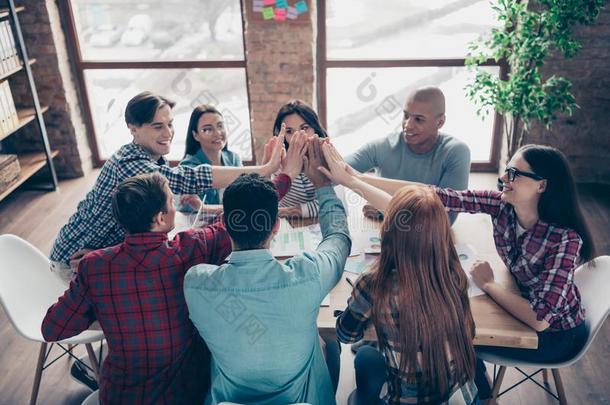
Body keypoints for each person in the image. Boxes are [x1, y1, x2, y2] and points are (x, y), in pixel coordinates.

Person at [41, 131, 301, 404]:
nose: (176, 206)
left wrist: (112, 313)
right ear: (161, 217)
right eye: (171, 201)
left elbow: (52, 330)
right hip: (186, 394)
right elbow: (241, 218)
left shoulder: (95, 266)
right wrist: (285, 177)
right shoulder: (189, 250)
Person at [323, 143, 595, 401]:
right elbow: (428, 196)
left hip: (554, 337)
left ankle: (483, 394)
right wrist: (356, 178)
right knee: (451, 330)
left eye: (513, 173)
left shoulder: (565, 239)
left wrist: (489, 285)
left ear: (542, 185)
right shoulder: (503, 206)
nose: (503, 178)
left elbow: (540, 320)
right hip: (520, 301)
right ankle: (476, 395)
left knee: (458, 337)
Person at [50, 92, 283, 284]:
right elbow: (187, 179)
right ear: (133, 128)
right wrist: (264, 169)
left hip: (100, 252)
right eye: (157, 126)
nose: (168, 133)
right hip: (74, 260)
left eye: (170, 124)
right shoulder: (131, 165)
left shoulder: (147, 156)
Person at [184, 139, 350, 405]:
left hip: (227, 400)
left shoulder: (196, 284)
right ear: (276, 226)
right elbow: (339, 239)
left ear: (226, 223)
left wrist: (280, 176)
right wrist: (323, 186)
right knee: (328, 343)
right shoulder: (307, 275)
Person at [319, 144, 478, 404]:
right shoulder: (453, 272)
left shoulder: (373, 283)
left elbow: (346, 335)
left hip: (406, 399)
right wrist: (349, 178)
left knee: (365, 357)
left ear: (389, 231)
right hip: (460, 397)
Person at [344, 86, 470, 224]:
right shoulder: (383, 147)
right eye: (406, 115)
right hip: (387, 232)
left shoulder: (456, 152)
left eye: (419, 119)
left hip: (428, 239)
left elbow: (445, 220)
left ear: (440, 122)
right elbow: (340, 167)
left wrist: (385, 207)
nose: (407, 125)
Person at [177, 104, 242, 215]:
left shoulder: (234, 159)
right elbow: (190, 208)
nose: (217, 133)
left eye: (220, 126)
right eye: (207, 129)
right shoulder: (188, 166)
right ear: (195, 135)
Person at [271, 99, 329, 218]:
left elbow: (328, 204)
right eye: (289, 131)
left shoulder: (327, 155)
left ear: (315, 129)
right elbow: (271, 200)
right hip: (285, 225)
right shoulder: (278, 158)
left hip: (318, 223)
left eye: (304, 128)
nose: (298, 136)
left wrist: (285, 212)